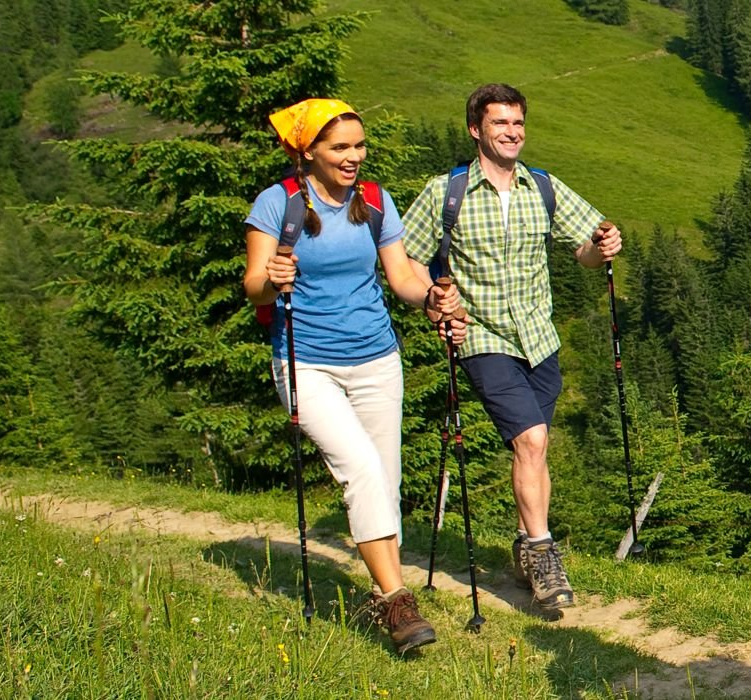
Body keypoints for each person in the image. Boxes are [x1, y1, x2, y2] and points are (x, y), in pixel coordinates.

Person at [242, 97, 466, 653]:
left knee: (384, 482)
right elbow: (254, 288)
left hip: (376, 358)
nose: (353, 157)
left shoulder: (374, 199)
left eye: (358, 146)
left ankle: (383, 590)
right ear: (308, 150)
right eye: (339, 147)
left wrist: (433, 298)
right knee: (361, 468)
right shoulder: (278, 204)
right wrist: (273, 278)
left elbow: (401, 280)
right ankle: (396, 603)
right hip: (306, 361)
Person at [399, 83, 623, 611]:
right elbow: (403, 256)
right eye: (500, 123)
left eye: (518, 123)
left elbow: (586, 250)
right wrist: (434, 298)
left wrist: (603, 245)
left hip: (540, 338)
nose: (512, 132)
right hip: (481, 336)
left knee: (534, 446)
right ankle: (544, 559)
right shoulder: (445, 192)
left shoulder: (542, 187)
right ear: (476, 129)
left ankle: (525, 547)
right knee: (532, 441)